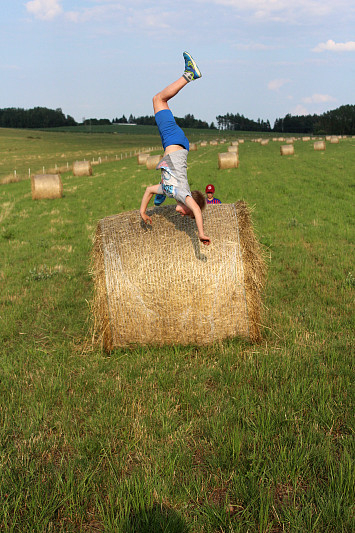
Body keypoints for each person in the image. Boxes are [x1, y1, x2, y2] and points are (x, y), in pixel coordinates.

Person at [139, 52, 211, 246]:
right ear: (189, 205)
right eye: (187, 213)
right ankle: (189, 74)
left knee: (161, 190)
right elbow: (196, 210)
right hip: (174, 141)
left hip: (173, 145)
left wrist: (142, 212)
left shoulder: (171, 190)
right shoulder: (182, 194)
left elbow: (148, 190)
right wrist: (201, 233)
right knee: (158, 100)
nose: (183, 215)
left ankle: (160, 198)